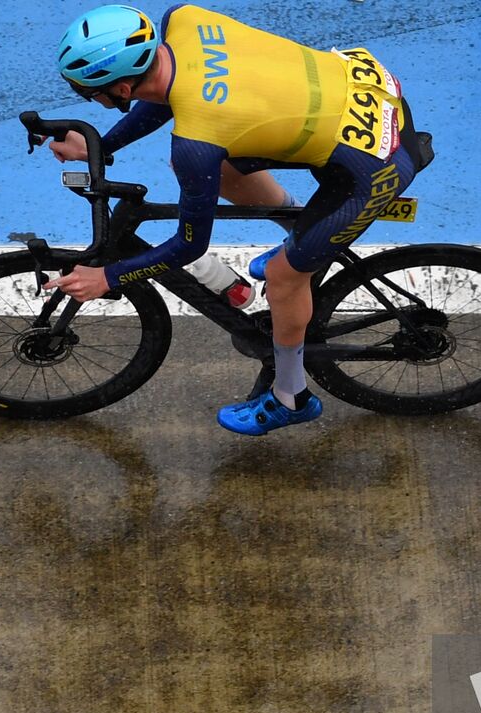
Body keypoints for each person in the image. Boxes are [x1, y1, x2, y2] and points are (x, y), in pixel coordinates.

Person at [42, 3, 423, 435]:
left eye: (88, 91)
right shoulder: (183, 19)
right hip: (366, 92)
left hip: (374, 165)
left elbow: (189, 246)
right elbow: (174, 92)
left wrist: (109, 277)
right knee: (217, 167)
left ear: (123, 88)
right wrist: (103, 146)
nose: (88, 98)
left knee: (283, 277)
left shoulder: (195, 142)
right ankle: (301, 233)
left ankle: (291, 397)